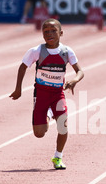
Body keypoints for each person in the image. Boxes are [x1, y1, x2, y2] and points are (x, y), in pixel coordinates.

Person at [10, 18, 84, 169]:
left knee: (63, 127)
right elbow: (22, 67)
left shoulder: (67, 51)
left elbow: (80, 71)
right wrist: (18, 89)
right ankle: (49, 113)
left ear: (61, 33)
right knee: (39, 133)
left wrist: (74, 80)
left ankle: (58, 157)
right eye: (46, 32)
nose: (49, 34)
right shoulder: (37, 51)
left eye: (53, 31)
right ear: (42, 35)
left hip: (58, 94)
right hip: (41, 94)